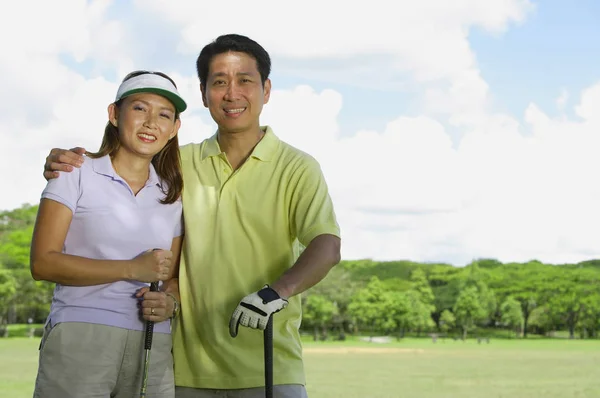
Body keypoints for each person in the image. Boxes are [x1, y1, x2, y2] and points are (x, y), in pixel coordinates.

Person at [42, 34, 341, 398]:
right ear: (203, 94)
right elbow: (126, 162)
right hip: (186, 368)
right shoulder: (179, 165)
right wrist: (65, 160)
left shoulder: (298, 167)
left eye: (244, 80)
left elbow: (326, 245)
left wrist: (277, 291)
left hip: (270, 364)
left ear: (266, 89)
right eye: (219, 82)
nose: (232, 93)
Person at [32, 70, 187, 398]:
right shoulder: (74, 172)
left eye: (164, 115)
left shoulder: (172, 193)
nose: (150, 123)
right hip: (81, 336)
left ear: (174, 129)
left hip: (153, 341)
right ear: (114, 114)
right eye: (140, 108)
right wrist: (131, 269)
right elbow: (43, 264)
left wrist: (169, 301)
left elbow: (169, 276)